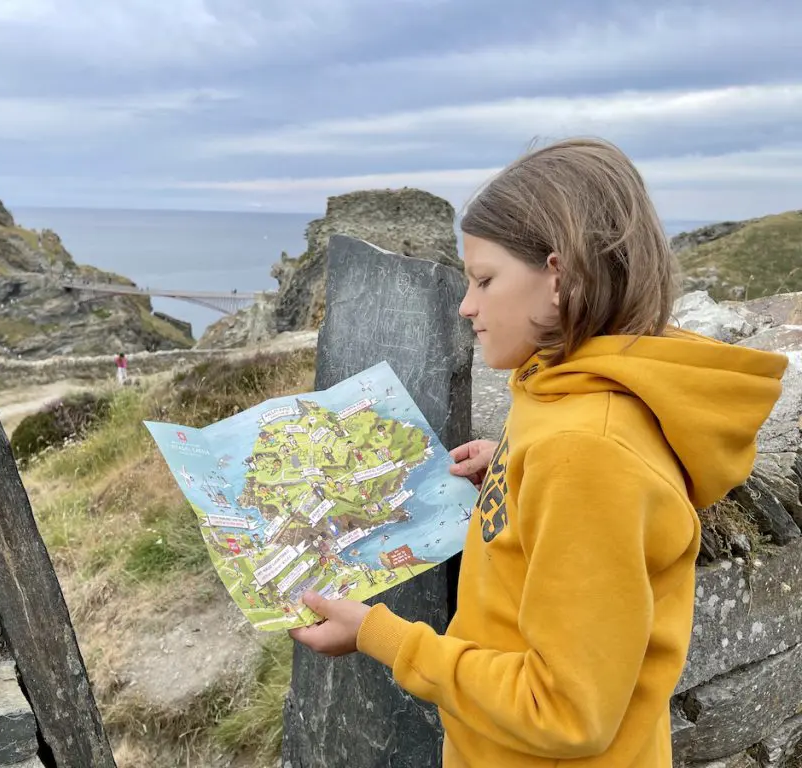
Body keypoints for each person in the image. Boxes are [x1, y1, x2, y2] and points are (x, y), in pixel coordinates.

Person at [288, 137, 787, 767]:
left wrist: (378, 634)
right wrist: (513, 474)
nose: (466, 306)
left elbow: (566, 713)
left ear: (562, 278)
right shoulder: (577, 395)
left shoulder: (584, 451)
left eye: (485, 279)